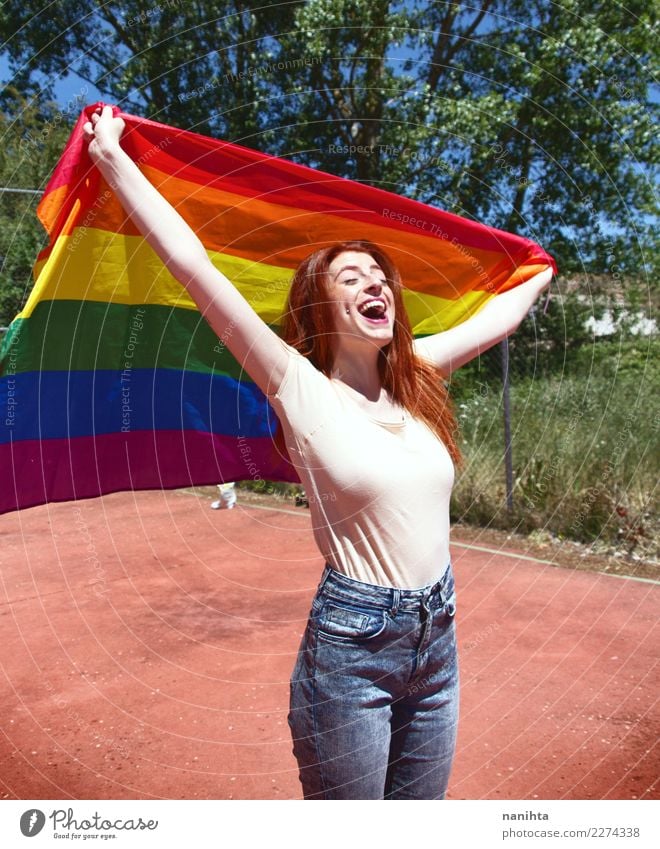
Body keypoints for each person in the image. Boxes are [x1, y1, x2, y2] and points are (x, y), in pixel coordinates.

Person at [84, 106, 553, 799]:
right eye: (352, 278)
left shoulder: (416, 374)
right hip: (353, 651)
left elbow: (499, 316)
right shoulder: (296, 385)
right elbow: (193, 265)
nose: (376, 285)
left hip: (439, 640)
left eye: (380, 275)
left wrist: (539, 267)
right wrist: (113, 158)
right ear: (321, 308)